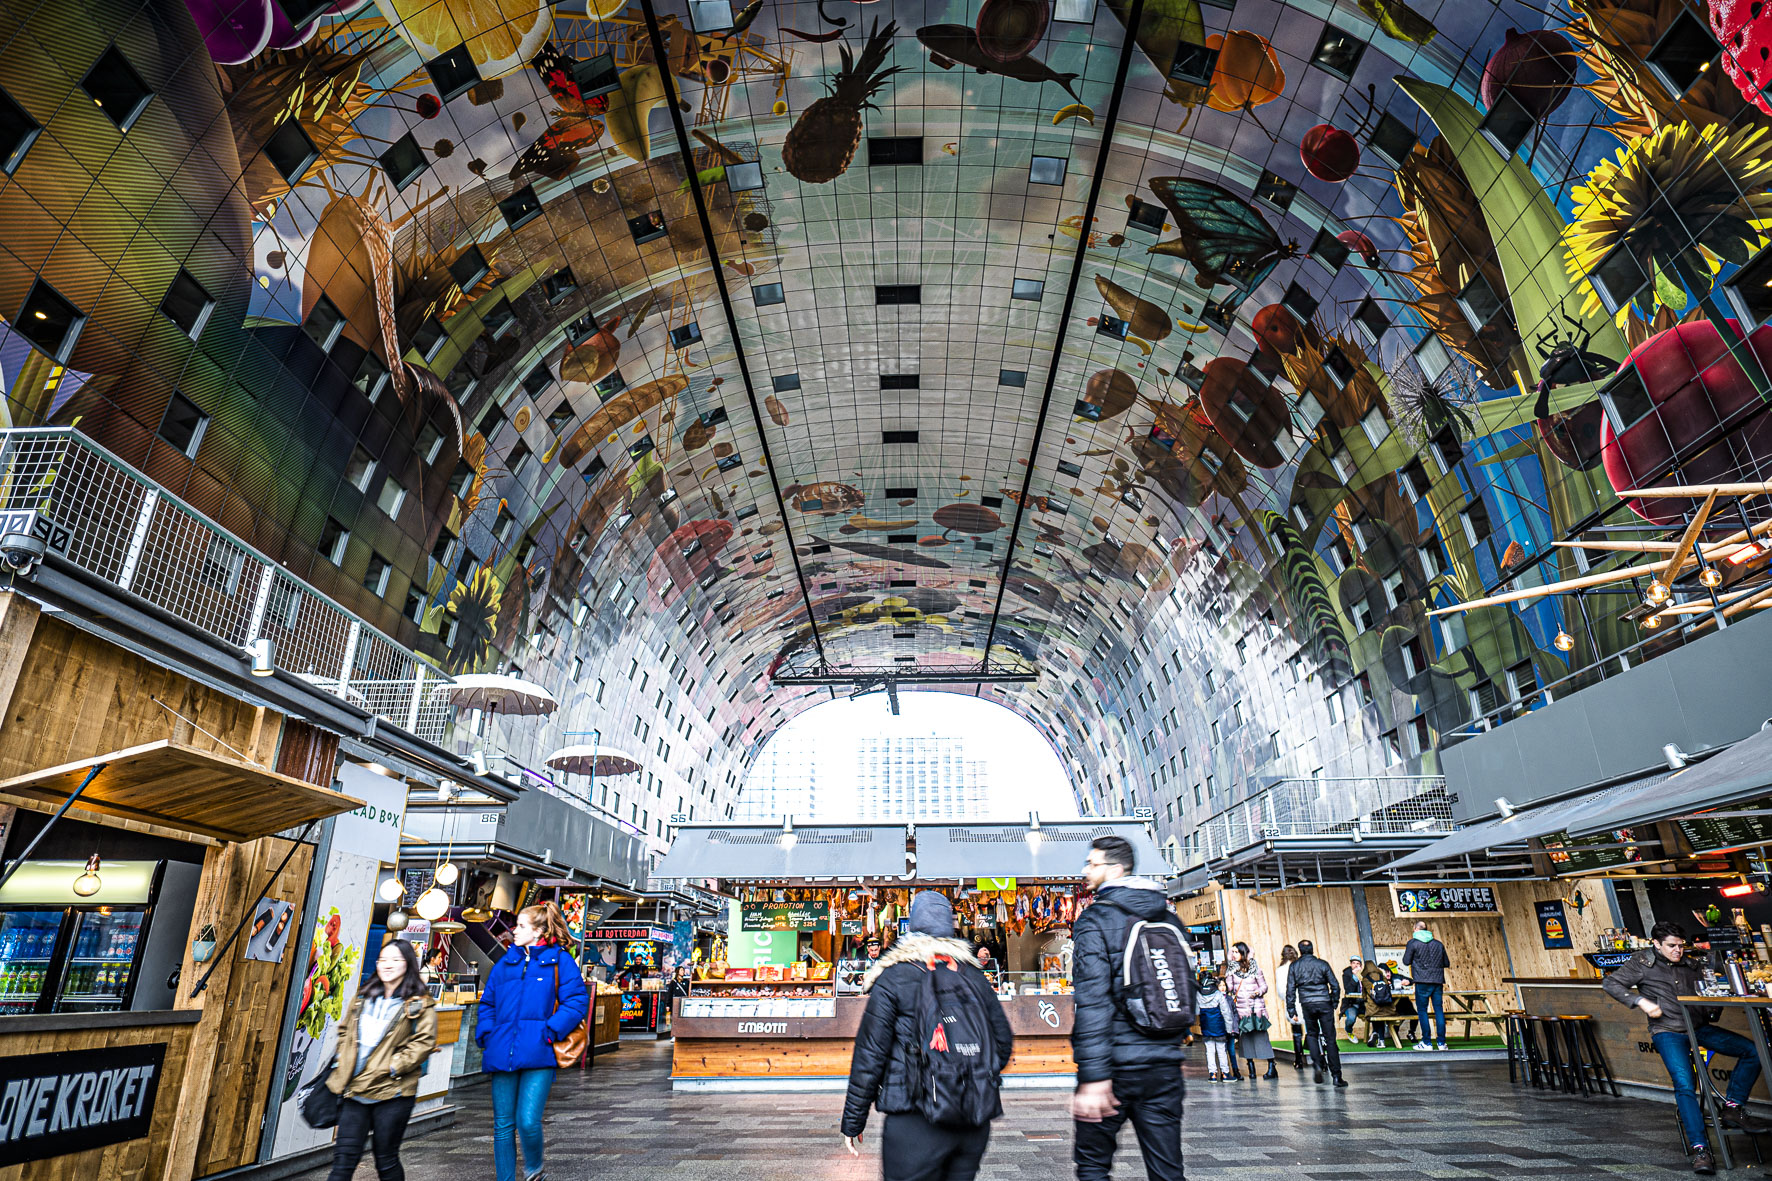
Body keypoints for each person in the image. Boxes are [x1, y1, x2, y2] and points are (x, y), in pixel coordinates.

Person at [841, 891, 1013, 1181]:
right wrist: (967, 1077)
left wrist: (853, 1120)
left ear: (912, 927)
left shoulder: (894, 976)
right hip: (972, 1119)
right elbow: (1003, 1043)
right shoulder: (972, 976)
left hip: (914, 1119)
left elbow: (870, 1055)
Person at [1604, 921, 1769, 1174]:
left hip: (1699, 1028)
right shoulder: (1642, 962)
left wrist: (1716, 1000)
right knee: (1685, 1085)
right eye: (1671, 946)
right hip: (1667, 1031)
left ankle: (1733, 1108)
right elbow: (1611, 984)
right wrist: (1641, 1001)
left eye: (1680, 946)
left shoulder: (1692, 963)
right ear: (1656, 944)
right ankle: (1700, 1150)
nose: (1677, 951)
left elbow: (1708, 993)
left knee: (1754, 1050)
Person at [1071, 835, 1188, 1181]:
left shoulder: (1095, 920)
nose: (1085, 870)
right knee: (1167, 1171)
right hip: (1165, 1068)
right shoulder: (1168, 917)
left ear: (1117, 869)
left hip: (1115, 1070)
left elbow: (1092, 1003)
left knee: (1093, 1167)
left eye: (1093, 864)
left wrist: (1094, 1078)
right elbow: (1183, 987)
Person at [478, 902, 590, 1181]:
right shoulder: (506, 962)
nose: (514, 931)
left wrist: (551, 1031)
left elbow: (576, 1001)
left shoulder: (560, 960)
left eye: (521, 926)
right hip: (502, 1051)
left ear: (539, 931)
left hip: (540, 1051)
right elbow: (488, 1003)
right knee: (503, 1125)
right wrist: (487, 1034)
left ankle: (534, 1169)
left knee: (528, 1121)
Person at [323, 940, 437, 1181]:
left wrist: (393, 1066)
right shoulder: (363, 997)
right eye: (383, 959)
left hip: (392, 1092)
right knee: (343, 1161)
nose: (388, 965)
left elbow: (424, 1042)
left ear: (408, 964)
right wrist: (343, 1060)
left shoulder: (419, 1003)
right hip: (355, 1090)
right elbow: (345, 1031)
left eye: (395, 960)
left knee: (385, 1160)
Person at [1284, 940, 1345, 1087]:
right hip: (1324, 1002)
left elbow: (1290, 989)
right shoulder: (1322, 964)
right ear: (1312, 949)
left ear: (1300, 950)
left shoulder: (1294, 966)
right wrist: (1334, 1002)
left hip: (1307, 1003)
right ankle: (1336, 1076)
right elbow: (1335, 985)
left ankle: (1317, 1064)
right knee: (1330, 1039)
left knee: (1312, 1034)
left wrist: (1291, 1008)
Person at [1225, 942, 1276, 1080]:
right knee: (1245, 1039)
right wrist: (1229, 971)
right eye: (1233, 952)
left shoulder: (1255, 969)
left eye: (1237, 952)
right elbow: (1229, 989)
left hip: (1256, 1009)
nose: (1234, 955)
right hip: (1242, 1011)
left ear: (1243, 953)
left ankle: (1272, 1066)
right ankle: (1251, 1068)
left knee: (1262, 1038)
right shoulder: (1232, 972)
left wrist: (1258, 991)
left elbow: (1264, 986)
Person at [1401, 920, 1450, 1050]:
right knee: (1438, 1010)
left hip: (1422, 982)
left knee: (1423, 1011)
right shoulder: (1438, 944)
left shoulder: (1413, 943)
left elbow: (1406, 961)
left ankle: (1427, 1043)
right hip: (1437, 981)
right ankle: (1441, 1043)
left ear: (1415, 929)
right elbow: (1446, 962)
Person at [1195, 972, 1237, 1082]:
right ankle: (1225, 1074)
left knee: (1209, 1050)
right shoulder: (1218, 994)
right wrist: (1229, 1029)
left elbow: (1196, 1011)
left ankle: (1212, 1074)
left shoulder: (1198, 994)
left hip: (1206, 1026)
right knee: (1221, 1050)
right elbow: (1226, 1012)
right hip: (1219, 1026)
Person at [1277, 945, 1306, 1073]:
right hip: (1306, 1001)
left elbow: (1281, 991)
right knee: (1312, 1029)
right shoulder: (1301, 966)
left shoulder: (1281, 970)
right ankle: (1320, 1061)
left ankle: (1299, 1060)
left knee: (1296, 1032)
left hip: (1292, 1003)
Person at [1341, 957, 1366, 1042]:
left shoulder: (1365, 975)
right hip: (1351, 1004)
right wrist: (1354, 977)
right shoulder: (1347, 974)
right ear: (1351, 964)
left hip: (1364, 1003)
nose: (1355, 965)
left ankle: (1375, 1035)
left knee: (1376, 1013)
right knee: (1351, 1018)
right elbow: (1348, 990)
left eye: (1358, 963)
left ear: (1361, 966)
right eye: (1353, 963)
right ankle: (1349, 1031)